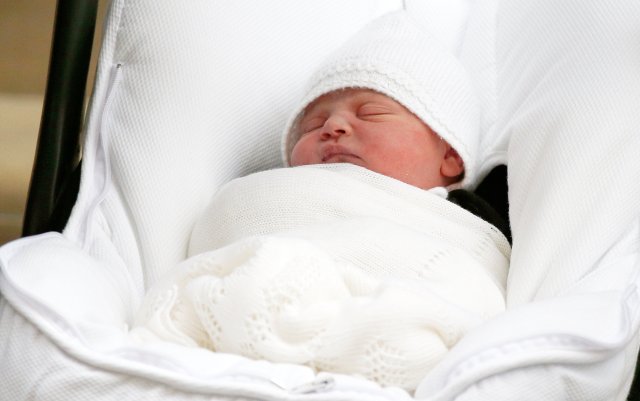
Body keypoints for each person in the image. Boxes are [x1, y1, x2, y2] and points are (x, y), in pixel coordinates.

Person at [130, 11, 510, 392]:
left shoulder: (458, 225)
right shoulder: (274, 193)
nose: (333, 127)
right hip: (241, 310)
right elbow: (225, 236)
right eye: (313, 125)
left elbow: (471, 293)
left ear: (451, 156)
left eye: (372, 113)